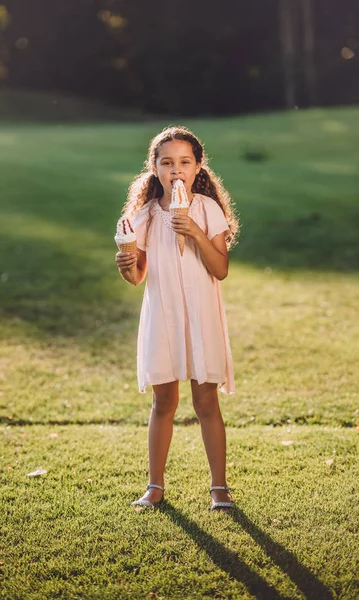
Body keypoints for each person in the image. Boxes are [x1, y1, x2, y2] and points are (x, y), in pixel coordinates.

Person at [115, 126, 239, 511]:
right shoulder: (146, 216)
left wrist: (196, 233)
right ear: (154, 168)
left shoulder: (207, 209)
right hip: (163, 315)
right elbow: (137, 277)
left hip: (201, 315)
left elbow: (220, 269)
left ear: (198, 166)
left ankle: (219, 488)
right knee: (163, 400)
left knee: (206, 402)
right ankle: (155, 486)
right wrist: (125, 263)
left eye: (185, 162)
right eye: (167, 163)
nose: (176, 170)